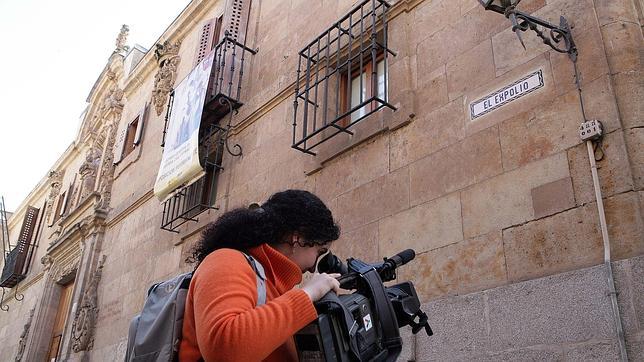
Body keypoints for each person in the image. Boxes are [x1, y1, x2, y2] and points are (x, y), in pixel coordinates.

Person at [180, 189, 342, 361]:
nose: (312, 268)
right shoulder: (225, 261)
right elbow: (225, 349)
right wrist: (307, 294)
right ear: (298, 238)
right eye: (319, 251)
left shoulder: (274, 288)